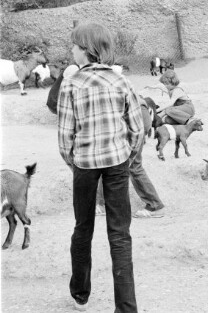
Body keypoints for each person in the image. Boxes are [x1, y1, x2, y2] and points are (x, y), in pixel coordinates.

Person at [58, 22, 142, 312]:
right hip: (117, 162)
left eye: (74, 46)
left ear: (85, 50)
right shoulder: (120, 81)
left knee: (83, 227)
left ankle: (80, 293)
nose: (71, 50)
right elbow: (137, 129)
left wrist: (75, 162)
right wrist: (126, 159)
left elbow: (64, 136)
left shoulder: (70, 83)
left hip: (84, 164)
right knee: (120, 233)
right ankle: (127, 308)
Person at [95, 95, 166, 219]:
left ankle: (155, 206)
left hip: (135, 120)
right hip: (138, 117)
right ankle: (102, 204)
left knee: (134, 166)